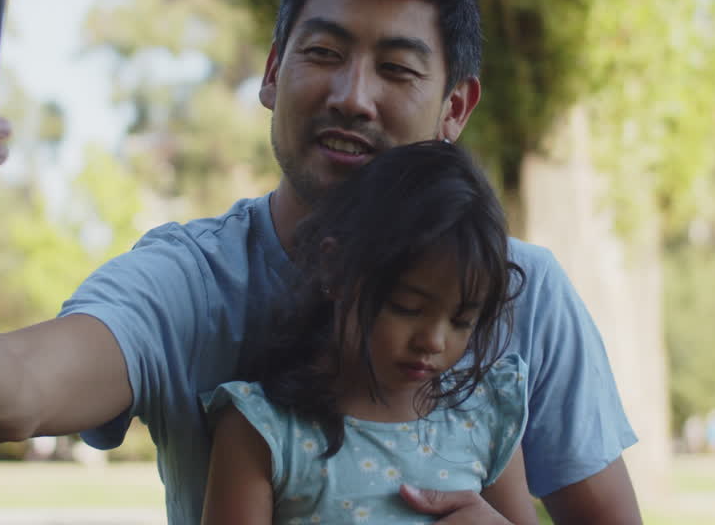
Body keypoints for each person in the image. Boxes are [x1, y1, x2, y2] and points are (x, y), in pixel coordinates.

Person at [0, 0, 642, 524]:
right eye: (323, 53)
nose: (351, 96)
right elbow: (8, 396)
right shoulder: (188, 281)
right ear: (271, 73)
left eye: (396, 68)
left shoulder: (519, 293)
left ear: (455, 107)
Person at [202, 140, 536, 524]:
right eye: (407, 308)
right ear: (335, 268)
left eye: (462, 320)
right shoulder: (265, 431)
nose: (434, 341)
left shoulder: (485, 413)